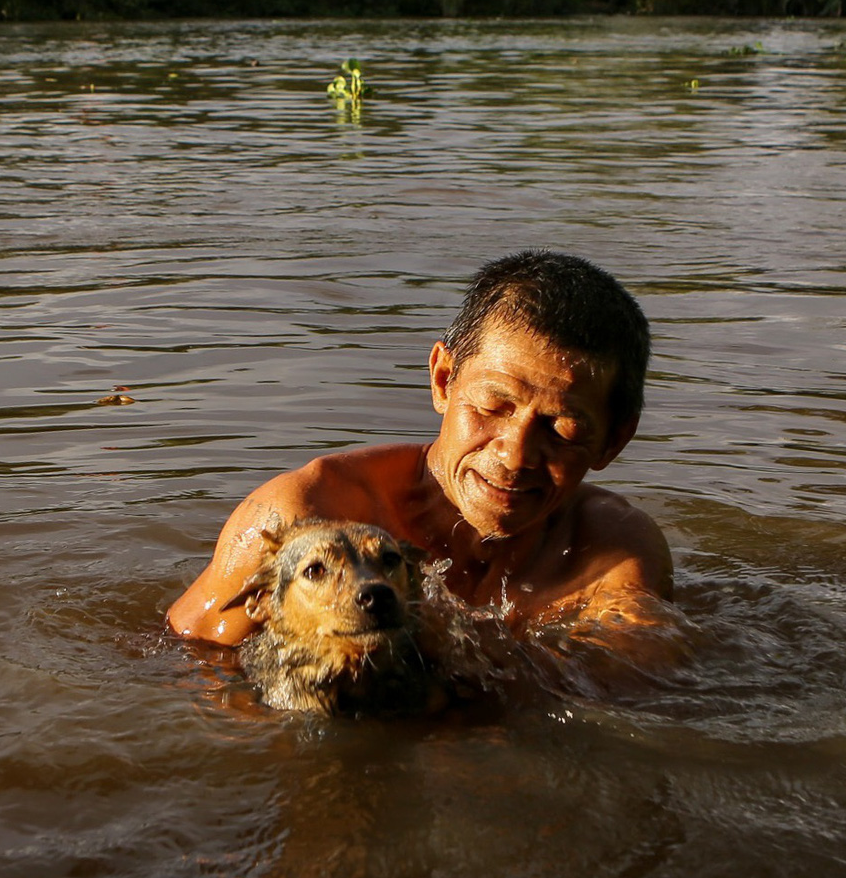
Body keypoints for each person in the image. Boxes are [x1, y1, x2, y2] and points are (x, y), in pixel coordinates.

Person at [167, 250, 685, 673]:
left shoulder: (614, 557)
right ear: (442, 380)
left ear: (613, 442)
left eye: (563, 429)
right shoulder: (304, 514)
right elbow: (190, 669)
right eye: (492, 407)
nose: (515, 454)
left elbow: (615, 702)